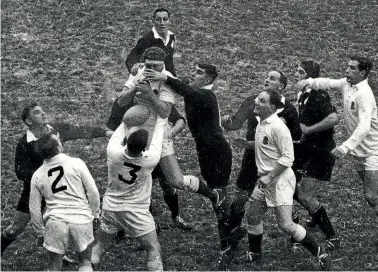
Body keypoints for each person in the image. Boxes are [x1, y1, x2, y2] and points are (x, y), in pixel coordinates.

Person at [144, 63, 233, 268]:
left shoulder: (205, 95)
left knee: (219, 201)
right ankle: (233, 232)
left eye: (199, 73)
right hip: (207, 154)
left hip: (217, 154)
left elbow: (184, 89)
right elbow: (180, 87)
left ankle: (226, 249)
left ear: (209, 80)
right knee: (218, 200)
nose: (193, 74)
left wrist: (164, 76)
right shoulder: (198, 93)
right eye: (194, 70)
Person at [1, 103, 109, 256]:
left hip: (57, 191)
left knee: (57, 222)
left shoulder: (56, 130)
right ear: (28, 121)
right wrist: (43, 175)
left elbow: (80, 131)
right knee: (15, 228)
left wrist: (105, 133)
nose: (43, 114)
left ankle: (58, 255)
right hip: (35, 189)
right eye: (37, 113)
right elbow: (20, 172)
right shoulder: (24, 143)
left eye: (42, 110)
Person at [243, 90, 330, 270]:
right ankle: (255, 254)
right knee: (252, 215)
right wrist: (246, 144)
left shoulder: (278, 127)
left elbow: (287, 158)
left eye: (262, 101)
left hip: (279, 180)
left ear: (272, 107)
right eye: (257, 99)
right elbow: (267, 147)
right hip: (265, 180)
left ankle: (320, 253)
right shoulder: (262, 122)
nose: (256, 102)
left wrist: (269, 176)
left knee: (285, 224)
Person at [294, 56, 378, 229]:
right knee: (371, 194)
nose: (347, 70)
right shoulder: (347, 84)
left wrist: (345, 146)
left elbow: (364, 126)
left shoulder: (364, 95)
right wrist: (309, 81)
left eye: (353, 68)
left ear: (363, 72)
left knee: (371, 196)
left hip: (372, 150)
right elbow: (328, 82)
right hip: (359, 150)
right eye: (348, 66)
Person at [221, 70, 301, 251]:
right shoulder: (253, 101)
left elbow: (296, 139)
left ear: (281, 86)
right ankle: (232, 237)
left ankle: (296, 237)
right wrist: (226, 122)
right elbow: (235, 124)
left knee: (285, 206)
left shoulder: (288, 110)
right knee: (240, 199)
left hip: (275, 164)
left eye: (272, 78)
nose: (266, 79)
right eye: (266, 76)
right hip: (252, 160)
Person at [91, 115, 168, 271]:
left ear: (126, 142)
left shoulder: (113, 152)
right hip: (137, 212)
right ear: (144, 149)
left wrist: (131, 115)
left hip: (111, 208)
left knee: (100, 247)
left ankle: (86, 268)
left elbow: (124, 123)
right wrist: (161, 115)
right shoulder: (150, 160)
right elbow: (159, 133)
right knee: (153, 249)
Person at [29, 133, 100, 271]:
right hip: (81, 219)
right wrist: (96, 214)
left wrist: (39, 232)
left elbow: (34, 209)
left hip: (55, 222)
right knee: (85, 261)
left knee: (54, 266)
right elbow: (93, 192)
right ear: (58, 147)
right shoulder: (76, 163)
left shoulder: (37, 175)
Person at [293, 59, 340, 250]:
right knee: (290, 183)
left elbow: (334, 118)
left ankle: (332, 237)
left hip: (321, 151)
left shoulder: (318, 95)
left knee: (305, 195)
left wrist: (308, 130)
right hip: (306, 148)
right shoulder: (302, 93)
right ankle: (314, 215)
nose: (296, 74)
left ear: (310, 78)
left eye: (301, 72)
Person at [126, 7, 176, 76]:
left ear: (169, 21)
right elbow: (131, 58)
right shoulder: (147, 39)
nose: (162, 23)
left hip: (167, 77)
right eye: (158, 20)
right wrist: (133, 66)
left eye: (165, 19)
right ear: (153, 21)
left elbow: (169, 62)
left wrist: (174, 79)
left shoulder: (171, 37)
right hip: (152, 78)